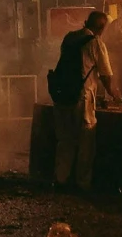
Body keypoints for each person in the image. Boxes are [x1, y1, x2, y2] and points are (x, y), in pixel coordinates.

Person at [46, 10, 116, 190]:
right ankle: (82, 183)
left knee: (65, 140)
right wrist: (115, 95)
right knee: (86, 140)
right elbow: (106, 76)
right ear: (101, 28)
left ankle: (60, 179)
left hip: (62, 95)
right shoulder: (96, 43)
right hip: (82, 97)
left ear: (86, 22)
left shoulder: (69, 38)